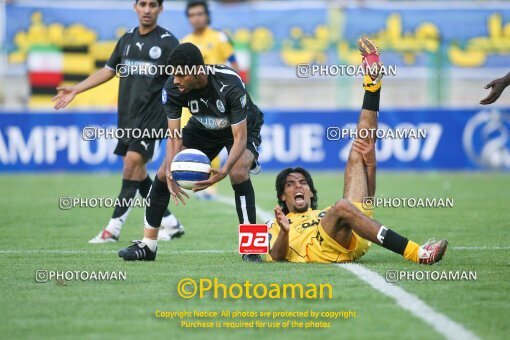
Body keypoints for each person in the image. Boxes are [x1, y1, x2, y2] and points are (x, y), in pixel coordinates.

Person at [267, 37, 448, 264]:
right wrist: (283, 231)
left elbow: (367, 201)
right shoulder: (275, 223)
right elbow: (275, 256)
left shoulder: (325, 213)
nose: (298, 186)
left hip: (352, 238)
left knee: (359, 150)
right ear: (283, 196)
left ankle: (372, 84)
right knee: (344, 206)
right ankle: (418, 253)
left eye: (303, 183)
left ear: (312, 193)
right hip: (320, 251)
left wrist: (371, 164)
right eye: (291, 184)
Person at [118, 42, 264, 262]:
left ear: (197, 71)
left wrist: (223, 170)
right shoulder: (173, 88)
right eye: (174, 75)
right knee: (161, 173)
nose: (175, 80)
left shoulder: (229, 84)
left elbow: (240, 138)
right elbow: (174, 137)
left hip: (241, 128)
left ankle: (251, 248)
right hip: (203, 127)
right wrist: (169, 171)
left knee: (238, 171)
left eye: (180, 75)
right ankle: (148, 246)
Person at [52, 0, 184, 243]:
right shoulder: (126, 39)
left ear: (160, 9)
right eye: (142, 4)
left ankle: (112, 229)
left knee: (131, 164)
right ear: (135, 7)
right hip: (127, 118)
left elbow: (181, 79)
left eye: (152, 5)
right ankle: (170, 222)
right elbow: (108, 70)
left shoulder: (167, 42)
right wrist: (76, 90)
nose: (147, 9)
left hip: (153, 119)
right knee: (137, 171)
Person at [181, 0, 241, 201]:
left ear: (206, 15)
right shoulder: (185, 41)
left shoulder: (219, 37)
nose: (196, 18)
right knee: (193, 141)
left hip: (219, 97)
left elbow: (234, 64)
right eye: (192, 14)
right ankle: (194, 177)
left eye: (200, 13)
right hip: (193, 99)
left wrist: (237, 92)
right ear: (188, 18)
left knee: (215, 136)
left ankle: (210, 185)